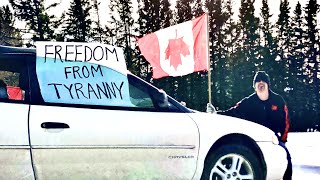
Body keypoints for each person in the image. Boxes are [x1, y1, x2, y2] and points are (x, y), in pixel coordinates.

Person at [210, 71, 292, 180]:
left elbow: (286, 121)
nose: (261, 83)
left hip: (274, 139)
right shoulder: (248, 102)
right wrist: (215, 114)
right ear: (254, 86)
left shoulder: (278, 100)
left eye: (263, 81)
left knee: (285, 158)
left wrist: (282, 139)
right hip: (254, 140)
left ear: (268, 84)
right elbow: (232, 112)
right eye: (258, 81)